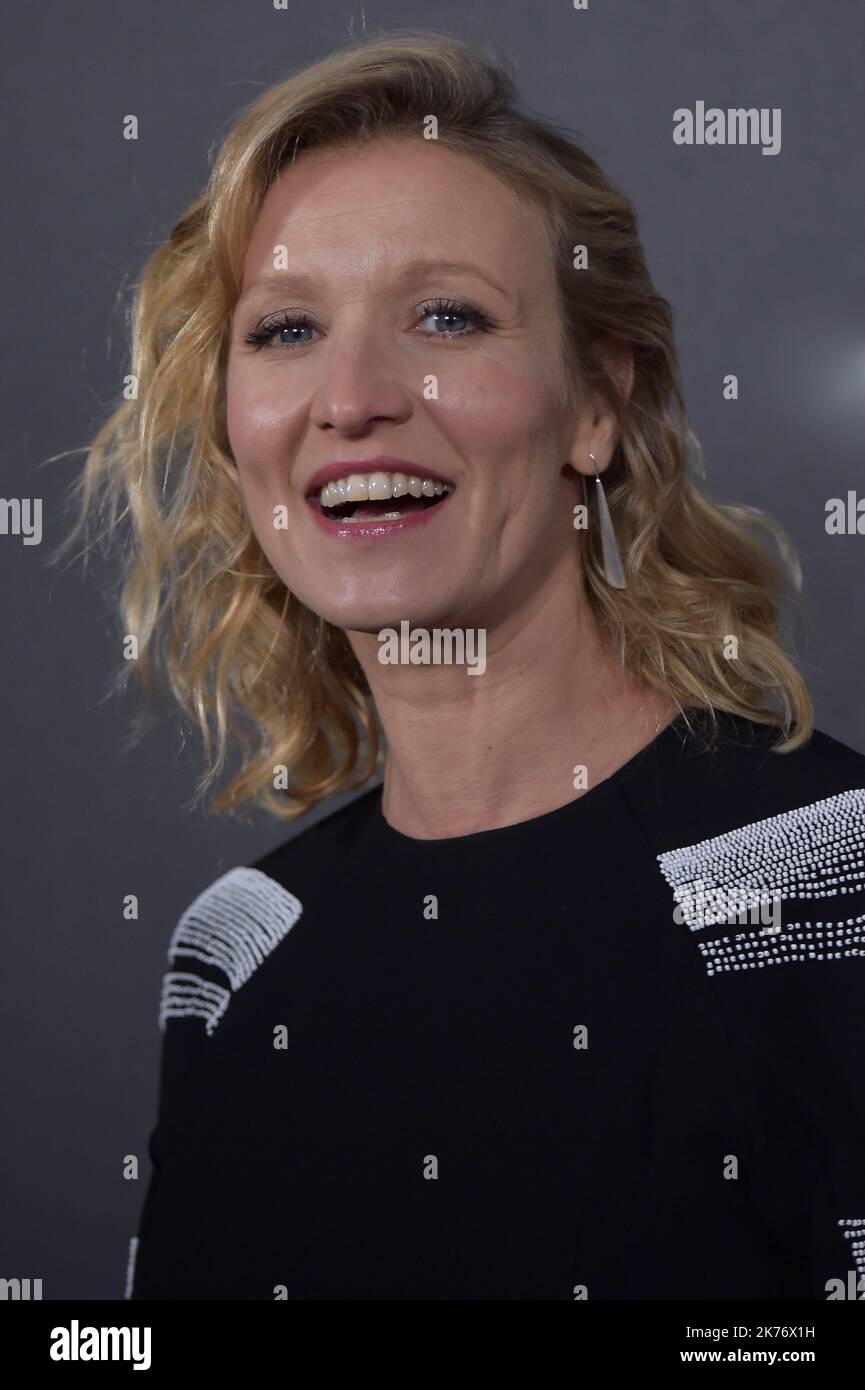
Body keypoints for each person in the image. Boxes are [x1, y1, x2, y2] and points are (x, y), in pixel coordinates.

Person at [62, 31, 865, 1300]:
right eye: (284, 329)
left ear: (596, 403)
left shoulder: (832, 882)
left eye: (446, 315)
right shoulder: (234, 951)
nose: (353, 397)